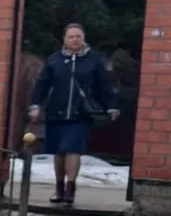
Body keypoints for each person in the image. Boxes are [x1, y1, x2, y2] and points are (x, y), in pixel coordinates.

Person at [27, 23, 119, 206]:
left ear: (84, 38)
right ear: (65, 40)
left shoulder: (94, 60)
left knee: (72, 148)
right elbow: (42, 84)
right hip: (57, 112)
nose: (75, 39)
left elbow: (104, 86)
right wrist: (35, 105)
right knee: (59, 152)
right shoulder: (55, 59)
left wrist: (112, 106)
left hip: (81, 113)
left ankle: (71, 188)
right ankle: (59, 187)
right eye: (71, 37)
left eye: (79, 36)